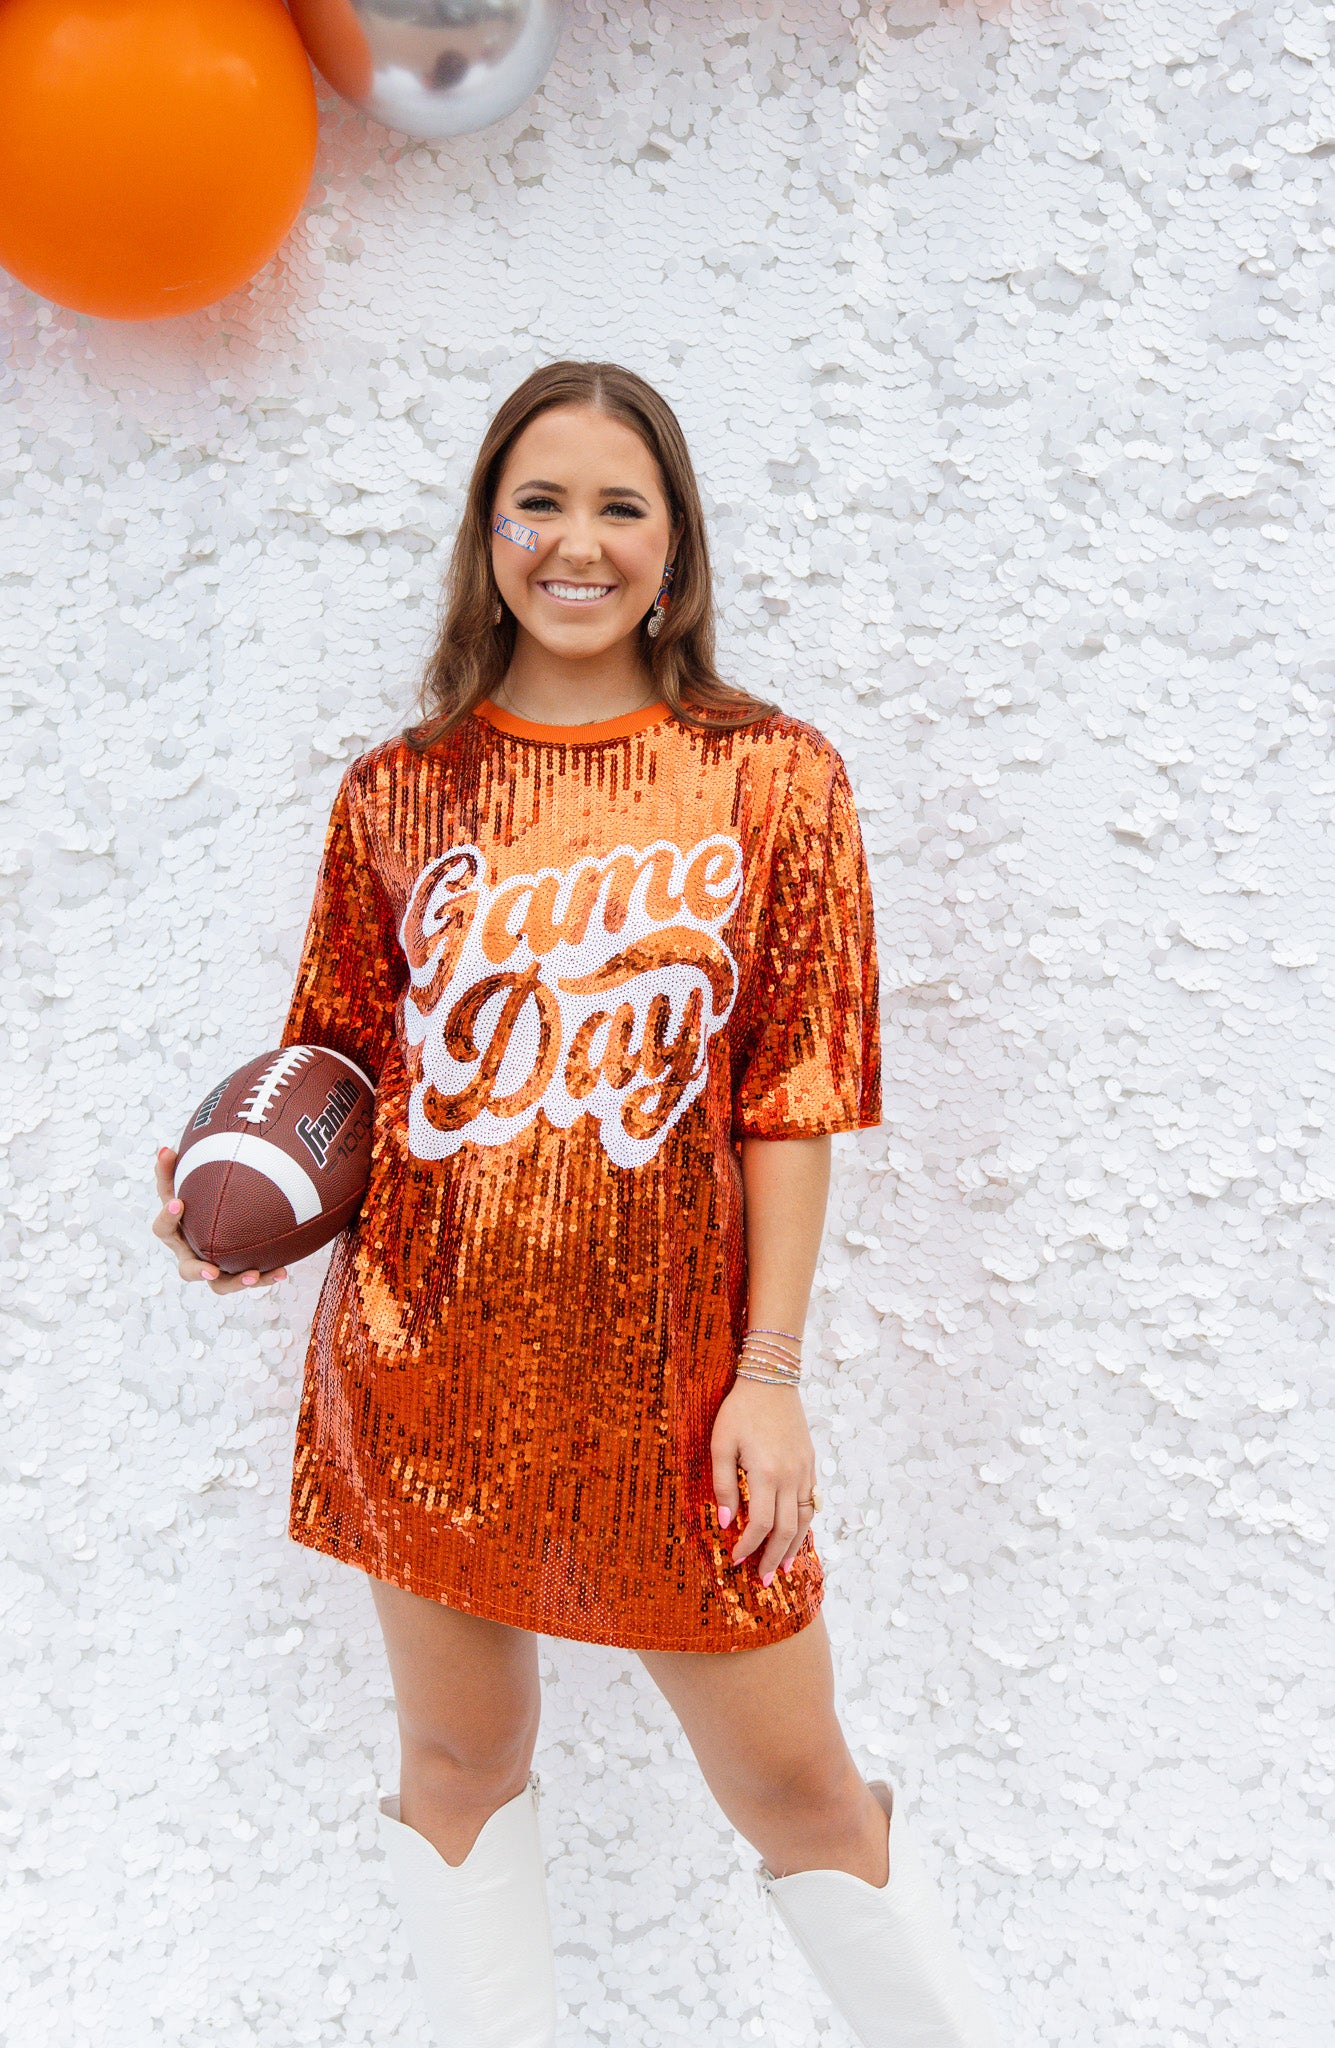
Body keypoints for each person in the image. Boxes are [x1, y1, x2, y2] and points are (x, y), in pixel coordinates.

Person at [153, 361, 1001, 2048]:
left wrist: (767, 1374)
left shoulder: (776, 782)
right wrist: (231, 1199)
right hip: (426, 1377)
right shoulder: (396, 795)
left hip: (678, 1397)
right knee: (461, 1765)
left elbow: (793, 1096)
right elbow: (336, 1066)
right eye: (539, 501)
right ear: (487, 536)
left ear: (676, 547)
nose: (578, 542)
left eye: (622, 504)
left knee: (804, 1791)